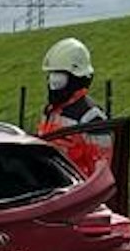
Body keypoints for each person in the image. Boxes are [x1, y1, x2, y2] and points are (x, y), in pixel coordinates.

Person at [38, 37, 114, 179]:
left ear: (76, 78)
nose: (52, 84)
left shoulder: (92, 118)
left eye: (58, 79)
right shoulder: (50, 111)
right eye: (50, 78)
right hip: (48, 187)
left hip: (76, 194)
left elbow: (101, 172)